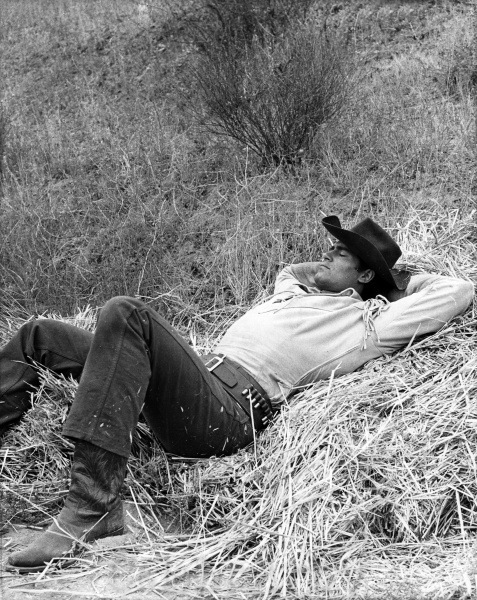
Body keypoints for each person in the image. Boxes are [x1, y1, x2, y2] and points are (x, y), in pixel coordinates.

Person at [1, 216, 473, 573]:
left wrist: (393, 282)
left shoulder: (370, 323)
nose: (327, 254)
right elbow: (294, 269)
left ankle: (90, 507)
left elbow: (457, 291)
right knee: (40, 335)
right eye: (330, 247)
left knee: (127, 313)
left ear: (365, 277)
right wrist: (343, 268)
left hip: (227, 411)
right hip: (195, 380)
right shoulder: (292, 292)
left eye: (341, 253)